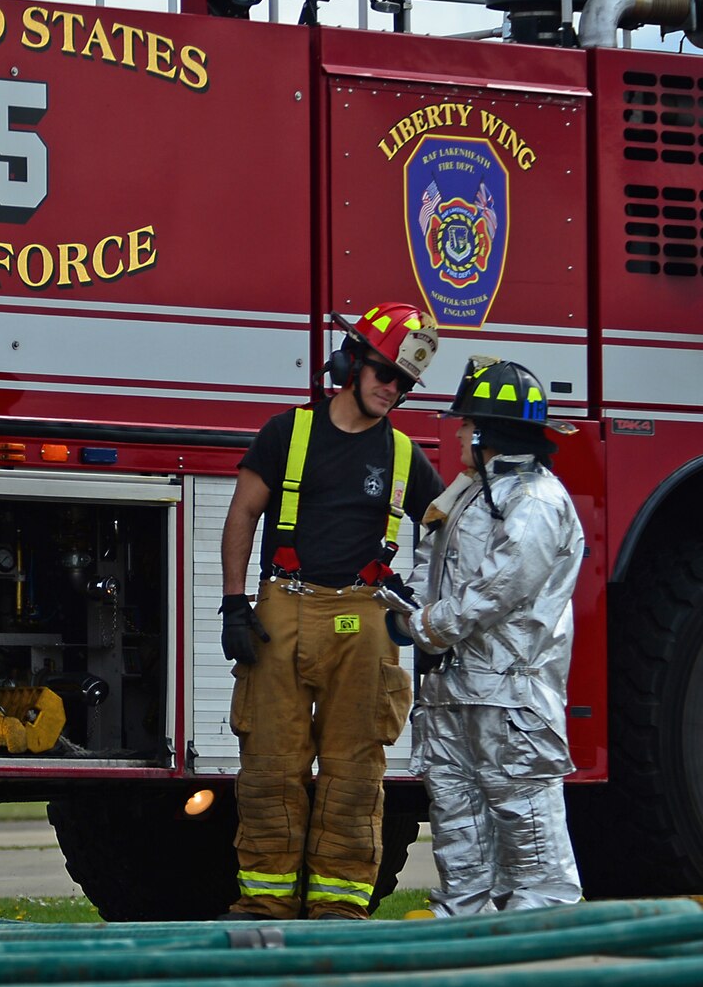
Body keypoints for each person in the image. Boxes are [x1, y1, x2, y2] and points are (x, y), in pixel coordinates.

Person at [217, 302, 441, 919]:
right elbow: (242, 514)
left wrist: (421, 604)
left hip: (364, 619)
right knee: (269, 764)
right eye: (384, 372)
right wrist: (234, 604)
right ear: (353, 363)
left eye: (403, 382)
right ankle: (265, 904)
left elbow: (449, 533)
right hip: (282, 608)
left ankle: (339, 907)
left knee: (355, 769)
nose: (392, 389)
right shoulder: (287, 434)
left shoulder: (404, 456)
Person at [386, 355, 584, 916]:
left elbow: (499, 589)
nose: (462, 434)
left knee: (525, 820)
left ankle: (541, 939)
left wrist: (420, 626)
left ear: (489, 431)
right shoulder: (474, 494)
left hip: (510, 697)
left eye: (470, 425)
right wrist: (410, 605)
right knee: (457, 816)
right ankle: (462, 928)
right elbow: (440, 568)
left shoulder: (537, 501)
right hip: (454, 693)